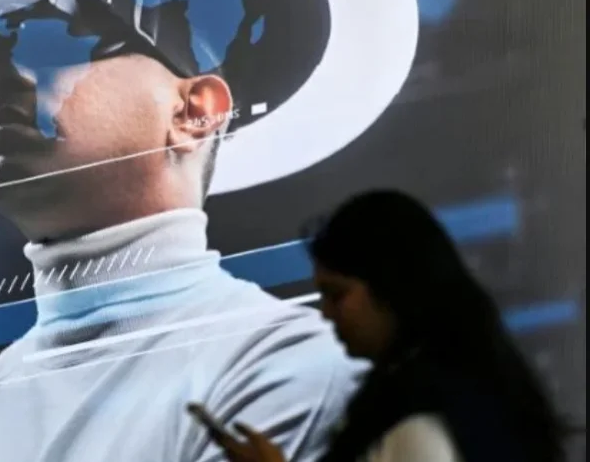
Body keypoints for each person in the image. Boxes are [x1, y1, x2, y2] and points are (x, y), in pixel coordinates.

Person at [207, 190, 567, 462]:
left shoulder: (418, 424)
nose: (326, 314)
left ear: (393, 286)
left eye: (337, 294)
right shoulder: (468, 387)